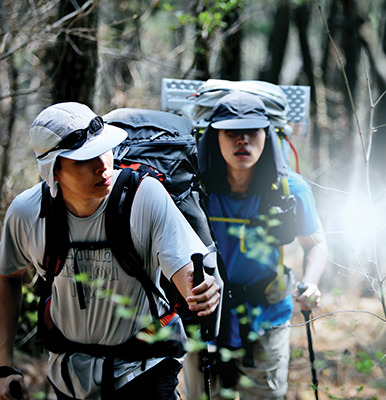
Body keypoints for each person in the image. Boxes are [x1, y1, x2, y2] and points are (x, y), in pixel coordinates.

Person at [0, 102, 221, 400]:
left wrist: (201, 290)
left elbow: (185, 271)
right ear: (53, 171)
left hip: (145, 368)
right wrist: (4, 366)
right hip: (69, 374)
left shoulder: (144, 195)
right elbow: (7, 277)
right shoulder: (28, 213)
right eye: (83, 159)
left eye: (104, 149)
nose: (103, 164)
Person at [182, 92, 328, 399]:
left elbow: (316, 244)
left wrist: (311, 283)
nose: (242, 141)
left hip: (267, 315)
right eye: (231, 132)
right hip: (205, 320)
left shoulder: (290, 189)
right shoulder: (194, 190)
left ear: (267, 135)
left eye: (251, 132)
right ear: (214, 136)